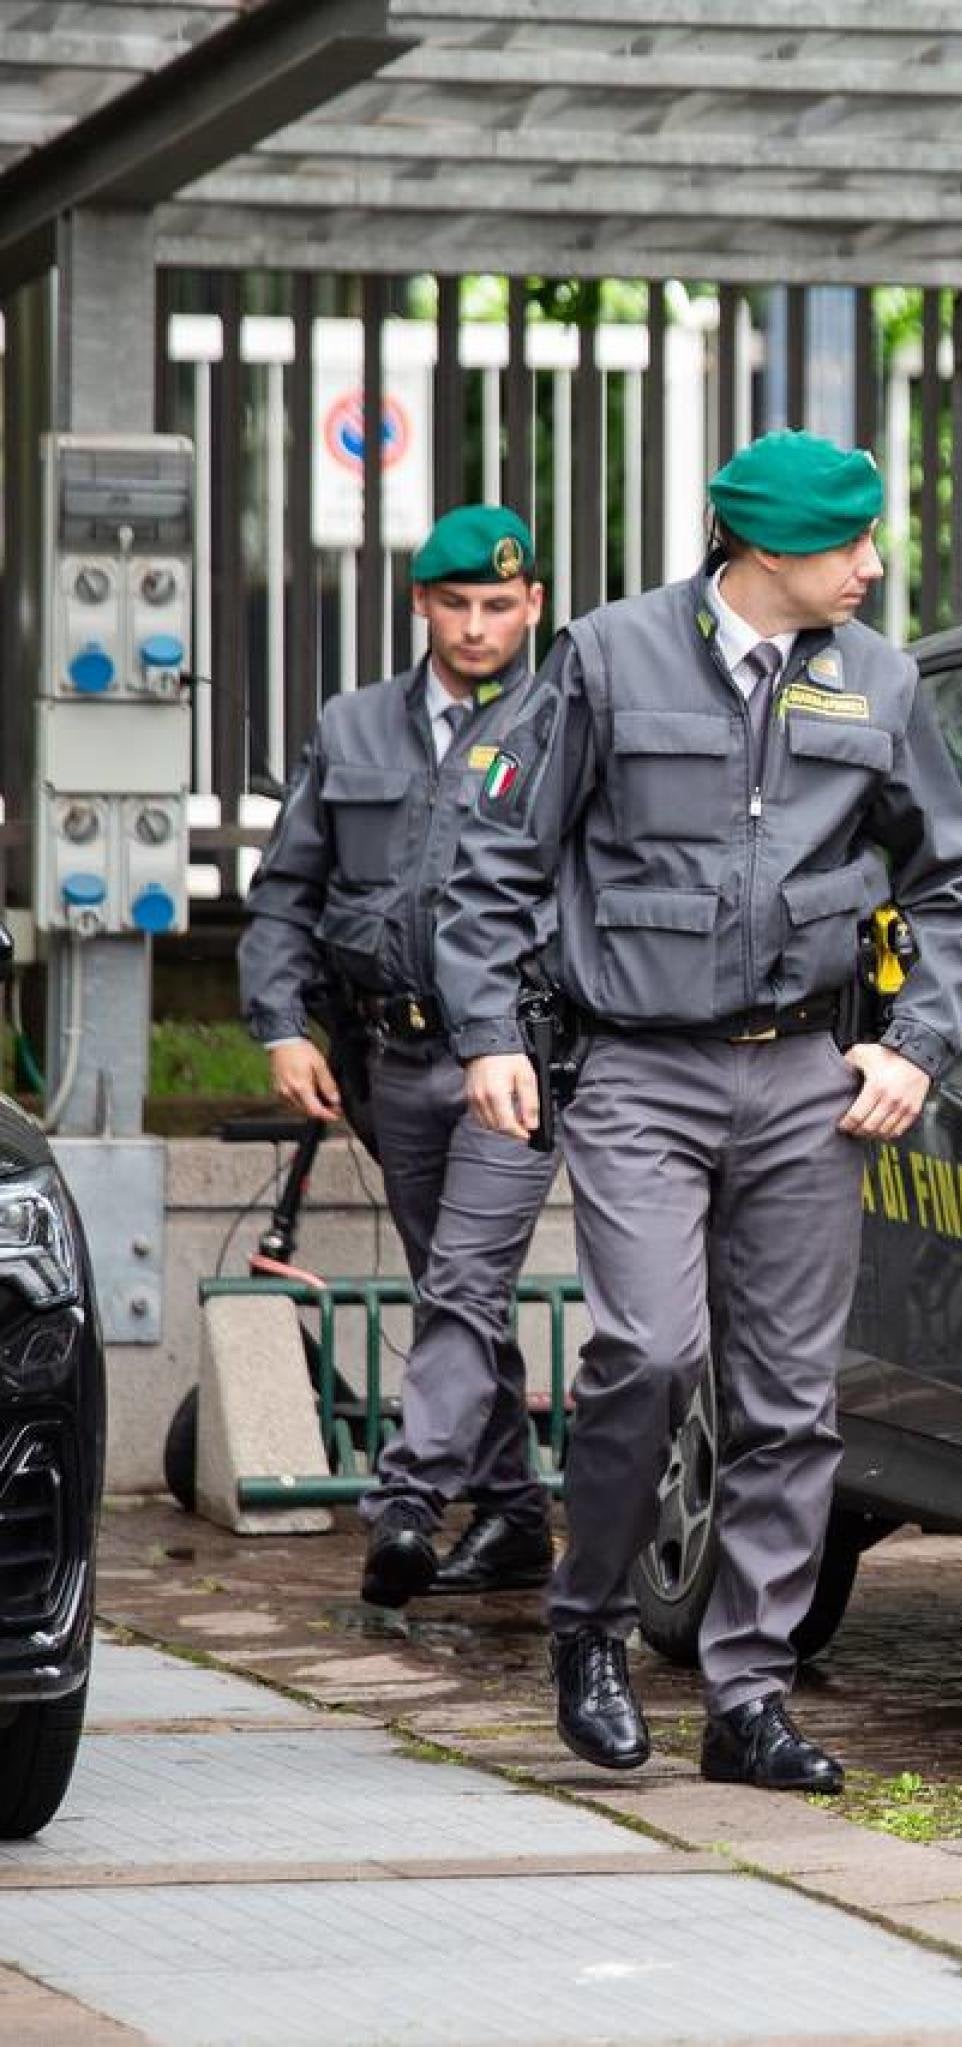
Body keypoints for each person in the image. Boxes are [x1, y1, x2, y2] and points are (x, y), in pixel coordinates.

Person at [440, 432, 962, 1793]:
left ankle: (749, 1693)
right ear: (762, 552)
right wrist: (489, 1036)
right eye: (846, 543)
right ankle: (592, 1627)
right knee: (647, 1351)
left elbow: (951, 884)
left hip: (807, 1078)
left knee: (793, 1400)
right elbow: (497, 862)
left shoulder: (884, 679)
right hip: (638, 1070)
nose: (872, 564)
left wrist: (913, 1040)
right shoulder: (611, 657)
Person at [239, 505, 560, 1607]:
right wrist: (281, 1023)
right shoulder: (354, 726)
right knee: (454, 1291)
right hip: (390, 1058)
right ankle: (515, 1512)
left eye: (499, 606)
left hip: (517, 1060)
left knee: (465, 1283)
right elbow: (288, 891)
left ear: (533, 607)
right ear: (420, 605)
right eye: (457, 604)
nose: (478, 628)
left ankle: (410, 1503)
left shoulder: (565, 726)